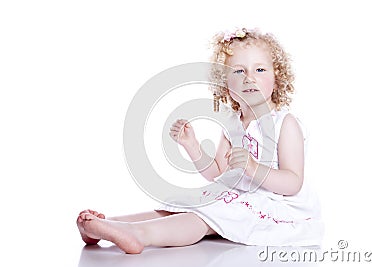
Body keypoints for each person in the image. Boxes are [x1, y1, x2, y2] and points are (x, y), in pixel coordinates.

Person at [76, 28, 324, 254]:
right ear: (224, 83)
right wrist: (192, 147)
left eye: (260, 70)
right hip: (235, 194)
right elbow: (218, 173)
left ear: (277, 75)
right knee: (184, 207)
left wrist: (252, 168)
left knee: (204, 216)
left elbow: (293, 183)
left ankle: (140, 235)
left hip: (275, 205)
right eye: (239, 71)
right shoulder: (233, 123)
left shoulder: (285, 123)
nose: (250, 78)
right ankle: (112, 224)